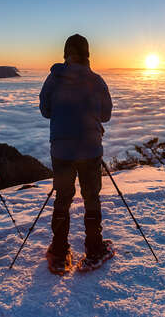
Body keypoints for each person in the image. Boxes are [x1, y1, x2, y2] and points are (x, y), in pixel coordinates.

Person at [39, 34, 113, 273]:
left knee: (63, 198)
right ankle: (94, 250)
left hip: (61, 150)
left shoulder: (54, 79)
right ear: (87, 54)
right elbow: (106, 115)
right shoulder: (96, 80)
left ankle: (59, 253)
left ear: (65, 53)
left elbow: (45, 110)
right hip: (90, 149)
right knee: (91, 198)